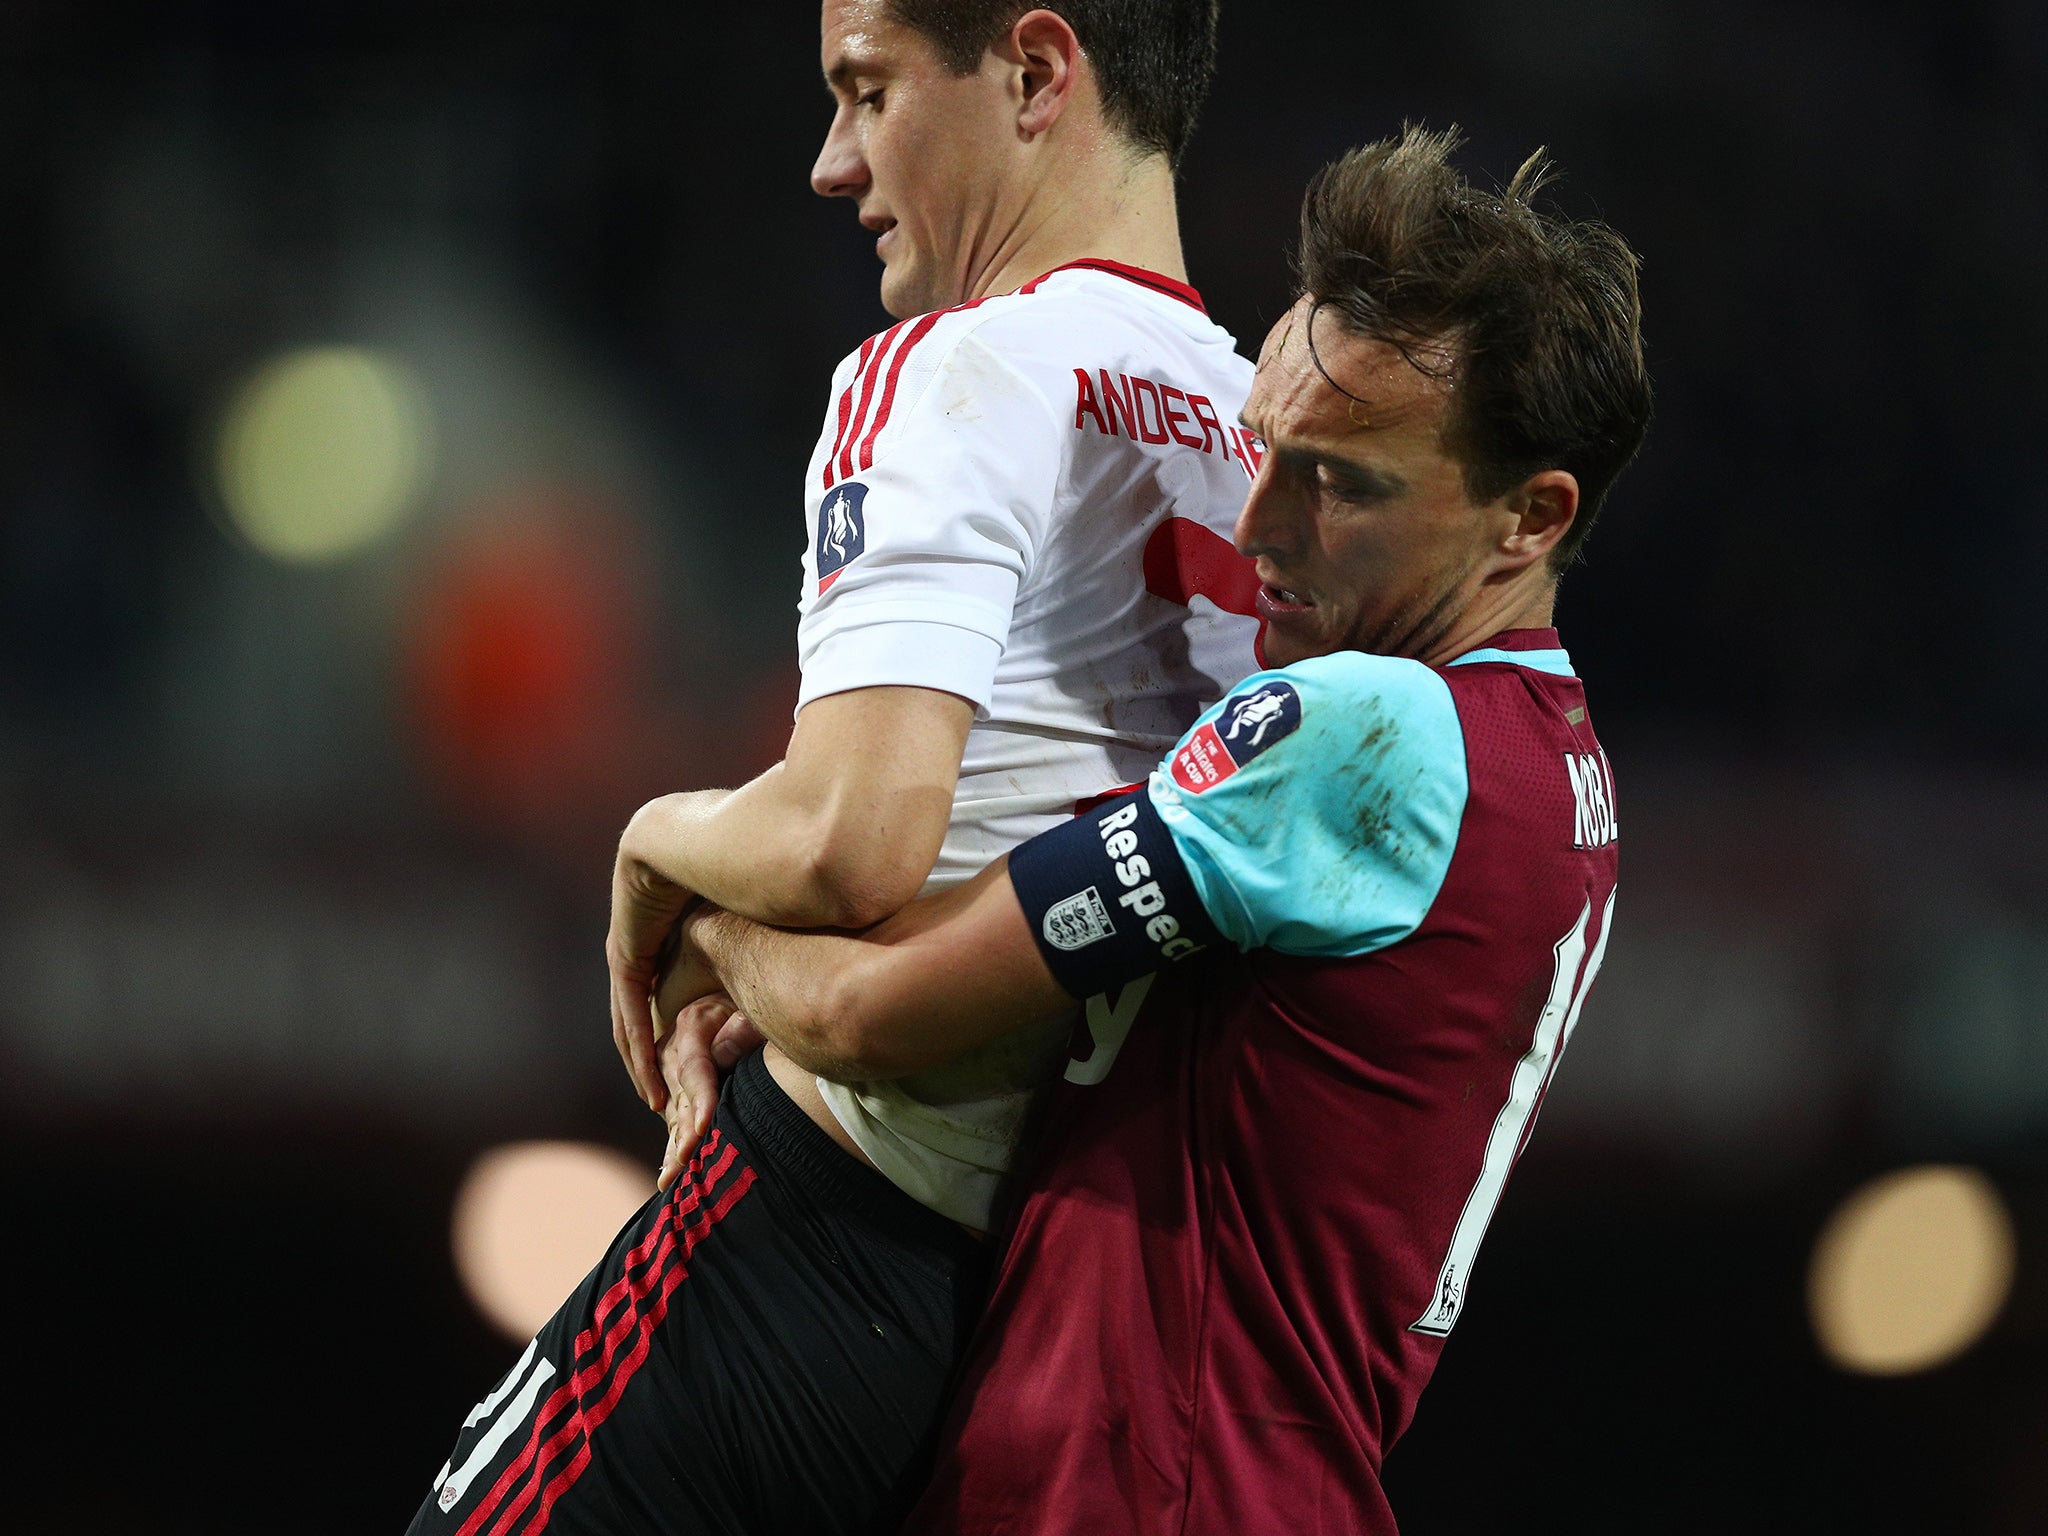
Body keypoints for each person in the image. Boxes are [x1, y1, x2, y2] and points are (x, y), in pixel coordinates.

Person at [652, 124, 1653, 1534]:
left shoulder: (1370, 735)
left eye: (1340, 482)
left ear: (1528, 519)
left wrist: (702, 913)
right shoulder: (1550, 770)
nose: (1257, 523)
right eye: (1267, 449)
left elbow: (874, 1014)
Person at [408, 2, 1260, 1532]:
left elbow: (852, 840)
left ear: (1035, 72)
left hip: (814, 1238)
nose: (831, 162)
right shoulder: (1274, 441)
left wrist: (656, 843)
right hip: (1055, 1315)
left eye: (867, 93)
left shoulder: (952, 368)